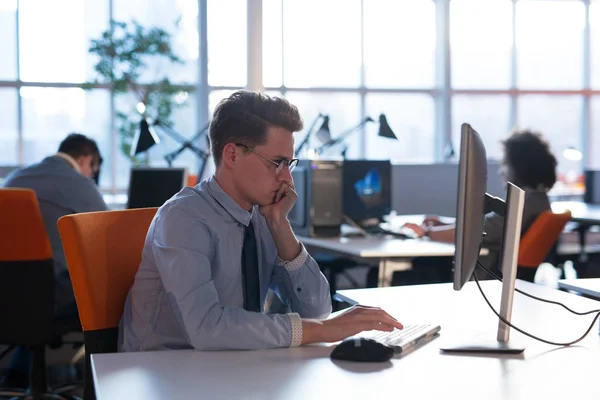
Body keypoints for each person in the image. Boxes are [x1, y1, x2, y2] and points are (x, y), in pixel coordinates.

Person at [119, 91, 403, 352]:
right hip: (160, 373)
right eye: (277, 163)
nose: (287, 179)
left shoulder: (262, 215)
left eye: (289, 165)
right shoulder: (183, 218)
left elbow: (316, 309)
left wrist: (281, 227)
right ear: (232, 154)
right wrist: (325, 330)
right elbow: (207, 328)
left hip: (230, 368)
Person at [1, 133, 107, 387]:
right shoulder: (82, 186)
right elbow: (106, 238)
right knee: (112, 289)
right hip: (52, 302)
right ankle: (101, 384)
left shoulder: (16, 178)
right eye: (93, 170)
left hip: (6, 298)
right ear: (85, 159)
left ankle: (18, 375)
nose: (92, 177)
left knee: (37, 282)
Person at [402, 129, 557, 282]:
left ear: (520, 167)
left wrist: (427, 232)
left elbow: (473, 232)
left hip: (484, 276)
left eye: (505, 164)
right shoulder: (537, 201)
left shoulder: (524, 204)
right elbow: (485, 225)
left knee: (418, 266)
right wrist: (443, 223)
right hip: (492, 273)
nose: (501, 171)